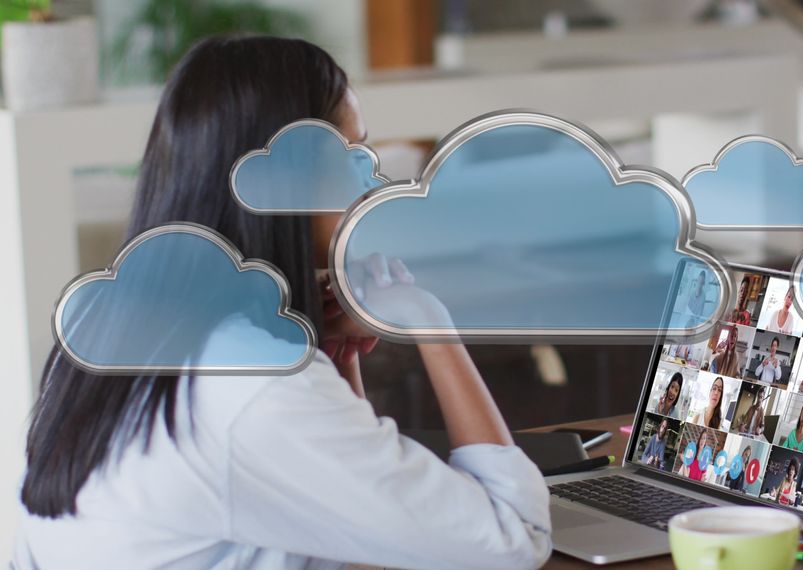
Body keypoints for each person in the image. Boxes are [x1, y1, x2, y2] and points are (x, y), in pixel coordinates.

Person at [13, 37, 551, 570]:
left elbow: (354, 527)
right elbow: (511, 539)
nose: (374, 175)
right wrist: (427, 318)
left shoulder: (107, 322)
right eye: (353, 151)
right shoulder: (256, 386)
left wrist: (336, 356)